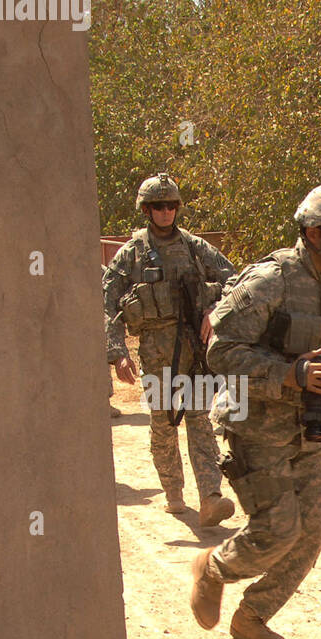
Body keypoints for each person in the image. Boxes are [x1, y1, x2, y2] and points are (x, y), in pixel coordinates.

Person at [189, 184, 321, 639]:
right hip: (254, 423)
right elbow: (221, 351)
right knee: (279, 529)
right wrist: (287, 373)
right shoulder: (269, 281)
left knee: (312, 531)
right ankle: (214, 568)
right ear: (313, 233)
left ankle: (252, 617)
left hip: (310, 423)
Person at [102, 173, 237, 524]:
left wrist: (214, 310)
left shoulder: (194, 247)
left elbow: (233, 279)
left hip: (193, 347)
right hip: (156, 353)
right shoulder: (131, 254)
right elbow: (108, 302)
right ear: (146, 210)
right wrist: (117, 352)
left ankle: (211, 496)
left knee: (200, 420)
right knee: (163, 423)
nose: (166, 212)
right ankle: (173, 491)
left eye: (171, 206)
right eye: (158, 206)